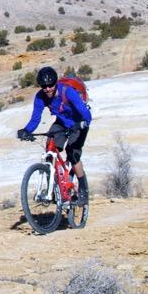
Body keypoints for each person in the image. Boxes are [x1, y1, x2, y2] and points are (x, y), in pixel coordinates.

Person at [16, 66, 91, 206]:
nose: (48, 89)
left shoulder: (67, 92)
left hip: (78, 122)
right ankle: (56, 187)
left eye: (50, 85)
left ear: (55, 83)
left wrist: (84, 122)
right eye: (44, 86)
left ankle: (83, 192)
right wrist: (26, 130)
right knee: (50, 149)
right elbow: (35, 119)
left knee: (73, 154)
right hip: (61, 123)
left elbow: (83, 109)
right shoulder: (40, 97)